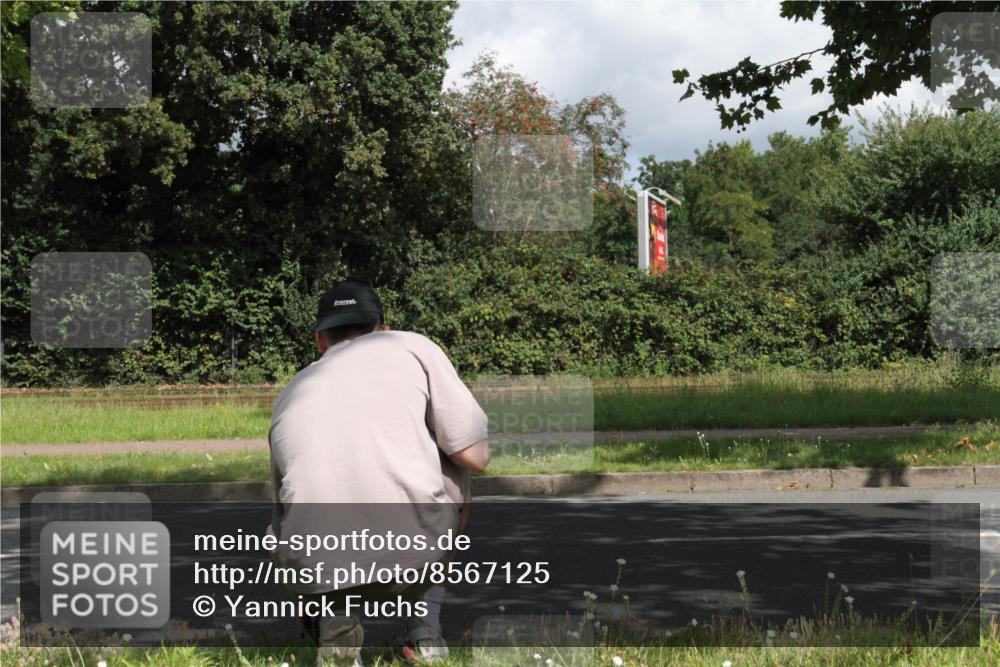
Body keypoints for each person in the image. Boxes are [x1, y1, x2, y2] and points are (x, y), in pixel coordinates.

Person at [267, 280, 490, 667]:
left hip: (316, 563)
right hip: (413, 553)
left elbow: (283, 507)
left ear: (320, 339)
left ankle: (334, 622)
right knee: (453, 461)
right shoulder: (412, 346)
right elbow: (475, 456)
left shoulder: (292, 391)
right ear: (383, 329)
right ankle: (425, 635)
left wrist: (306, 594)